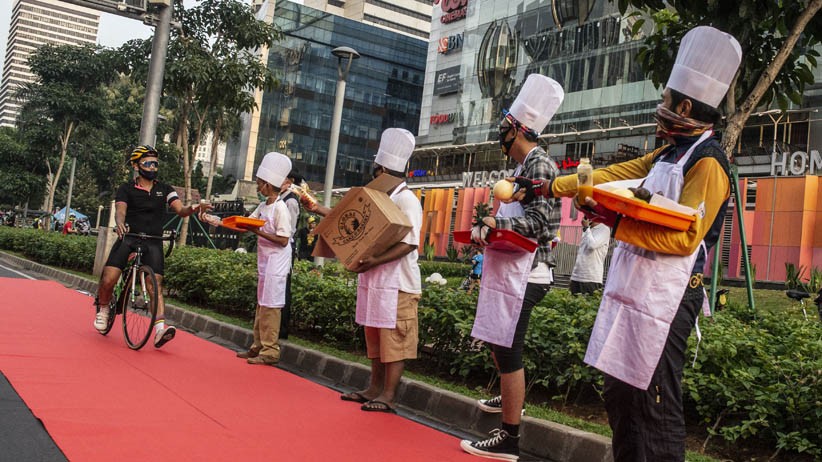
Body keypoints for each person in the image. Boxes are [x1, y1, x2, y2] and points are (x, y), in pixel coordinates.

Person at [537, 27, 741, 461]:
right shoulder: (667, 154)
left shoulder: (709, 164)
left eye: (667, 100)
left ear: (685, 107)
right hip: (636, 290)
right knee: (621, 395)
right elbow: (616, 174)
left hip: (669, 298)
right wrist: (556, 185)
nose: (661, 106)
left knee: (655, 402)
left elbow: (686, 236)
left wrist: (616, 220)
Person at [460, 74, 564, 461]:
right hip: (512, 269)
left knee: (508, 346)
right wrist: (488, 231)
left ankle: (510, 436)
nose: (500, 131)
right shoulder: (525, 168)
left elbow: (537, 224)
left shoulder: (540, 166)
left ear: (518, 129)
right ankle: (509, 396)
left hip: (530, 272)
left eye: (505, 124)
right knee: (496, 337)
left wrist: (495, 225)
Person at [307, 128, 422, 414]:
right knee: (374, 337)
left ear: (382, 169)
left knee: (394, 341)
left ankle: (388, 395)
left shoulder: (407, 199)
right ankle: (374, 388)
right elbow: (349, 220)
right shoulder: (377, 196)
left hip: (399, 284)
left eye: (375, 170)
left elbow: (410, 243)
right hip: (375, 280)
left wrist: (374, 260)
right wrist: (320, 211)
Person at [93, 145, 209, 348]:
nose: (153, 167)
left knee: (155, 284)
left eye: (155, 163)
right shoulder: (126, 188)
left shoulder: (165, 189)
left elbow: (180, 210)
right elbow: (121, 210)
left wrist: (194, 208)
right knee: (109, 278)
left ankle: (160, 330)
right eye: (148, 163)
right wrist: (120, 223)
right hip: (129, 236)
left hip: (153, 241)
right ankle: (103, 308)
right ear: (137, 166)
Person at [208, 152, 294, 365]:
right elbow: (245, 223)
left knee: (271, 306)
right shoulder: (264, 206)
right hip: (265, 261)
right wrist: (219, 222)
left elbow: (283, 239)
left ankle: (270, 350)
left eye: (259, 183)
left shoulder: (281, 208)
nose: (257, 187)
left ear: (267, 185)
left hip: (277, 263)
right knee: (261, 303)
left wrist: (258, 232)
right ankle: (257, 345)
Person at [278, 169, 302, 340]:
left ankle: (282, 328)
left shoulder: (291, 201)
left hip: (285, 248)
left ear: (290, 180)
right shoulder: (280, 198)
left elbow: (290, 230)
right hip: (276, 247)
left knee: (283, 288)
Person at [568, 219, 610, 295]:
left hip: (591, 277)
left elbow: (592, 245)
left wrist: (586, 228)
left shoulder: (604, 229)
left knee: (587, 305)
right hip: (576, 276)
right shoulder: (588, 230)